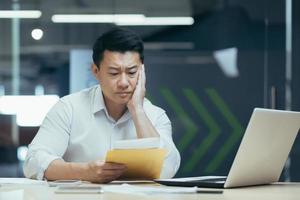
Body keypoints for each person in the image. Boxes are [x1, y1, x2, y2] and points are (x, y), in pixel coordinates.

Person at [23, 28, 180, 183]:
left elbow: (167, 169)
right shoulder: (69, 108)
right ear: (95, 71)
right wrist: (84, 172)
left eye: (132, 72)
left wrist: (137, 110)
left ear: (142, 71)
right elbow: (33, 162)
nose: (124, 83)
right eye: (114, 73)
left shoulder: (155, 115)